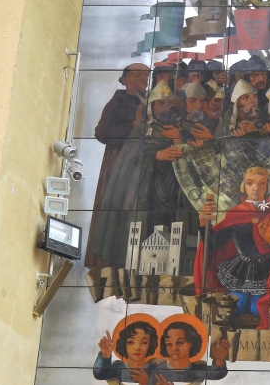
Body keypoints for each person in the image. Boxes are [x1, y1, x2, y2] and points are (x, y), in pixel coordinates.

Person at [90, 80, 198, 272]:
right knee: (143, 232)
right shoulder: (140, 131)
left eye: (169, 104)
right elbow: (130, 160)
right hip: (145, 193)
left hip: (172, 195)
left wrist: (178, 141)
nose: (165, 108)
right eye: (160, 103)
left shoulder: (179, 131)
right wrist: (157, 155)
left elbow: (190, 165)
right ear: (152, 107)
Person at [194, 166, 270, 330]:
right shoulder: (235, 213)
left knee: (259, 310)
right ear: (244, 186)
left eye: (261, 183)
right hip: (240, 270)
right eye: (250, 183)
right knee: (238, 307)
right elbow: (214, 244)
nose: (256, 188)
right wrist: (203, 223)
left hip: (265, 271)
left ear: (267, 187)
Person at [85, 62, 148, 268]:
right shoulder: (118, 101)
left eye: (146, 75)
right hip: (117, 161)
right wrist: (133, 125)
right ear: (125, 80)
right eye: (138, 75)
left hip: (139, 163)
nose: (144, 79)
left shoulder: (148, 101)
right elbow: (102, 133)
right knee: (114, 208)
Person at [146, 321, 230, 385]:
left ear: (191, 343)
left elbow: (216, 374)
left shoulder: (197, 369)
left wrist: (219, 360)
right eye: (169, 344)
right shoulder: (159, 372)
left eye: (179, 343)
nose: (174, 349)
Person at [93, 320, 159, 385]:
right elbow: (99, 374)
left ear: (150, 344)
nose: (137, 348)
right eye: (131, 342)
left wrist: (148, 382)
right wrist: (105, 355)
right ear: (124, 344)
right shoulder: (118, 368)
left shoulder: (156, 371)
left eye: (144, 343)